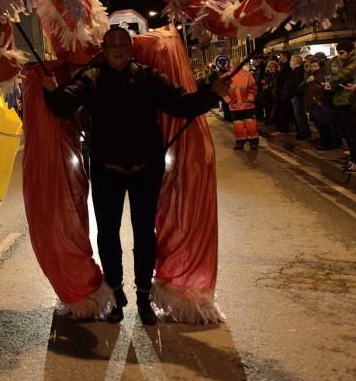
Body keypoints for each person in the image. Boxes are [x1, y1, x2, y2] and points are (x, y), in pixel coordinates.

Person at [42, 27, 230, 325]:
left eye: (122, 43)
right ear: (103, 49)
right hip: (106, 169)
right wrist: (51, 90)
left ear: (130, 49)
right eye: (111, 44)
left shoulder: (149, 77)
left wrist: (210, 95)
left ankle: (143, 297)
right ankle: (116, 295)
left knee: (145, 234)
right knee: (108, 233)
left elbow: (181, 104)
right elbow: (64, 106)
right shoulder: (90, 78)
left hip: (146, 168)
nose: (117, 48)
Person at [328, 38, 356, 174]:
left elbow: (340, 77)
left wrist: (331, 82)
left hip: (351, 102)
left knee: (354, 134)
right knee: (349, 134)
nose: (339, 56)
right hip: (345, 101)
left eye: (342, 53)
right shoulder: (347, 62)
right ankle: (355, 160)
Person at [223, 58, 258, 150]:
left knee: (250, 124)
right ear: (230, 64)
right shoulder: (226, 76)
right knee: (238, 125)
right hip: (234, 105)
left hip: (248, 104)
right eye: (233, 62)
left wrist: (251, 95)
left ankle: (253, 142)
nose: (235, 63)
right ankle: (240, 142)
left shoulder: (248, 74)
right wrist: (228, 99)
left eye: (237, 62)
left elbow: (253, 86)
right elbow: (222, 90)